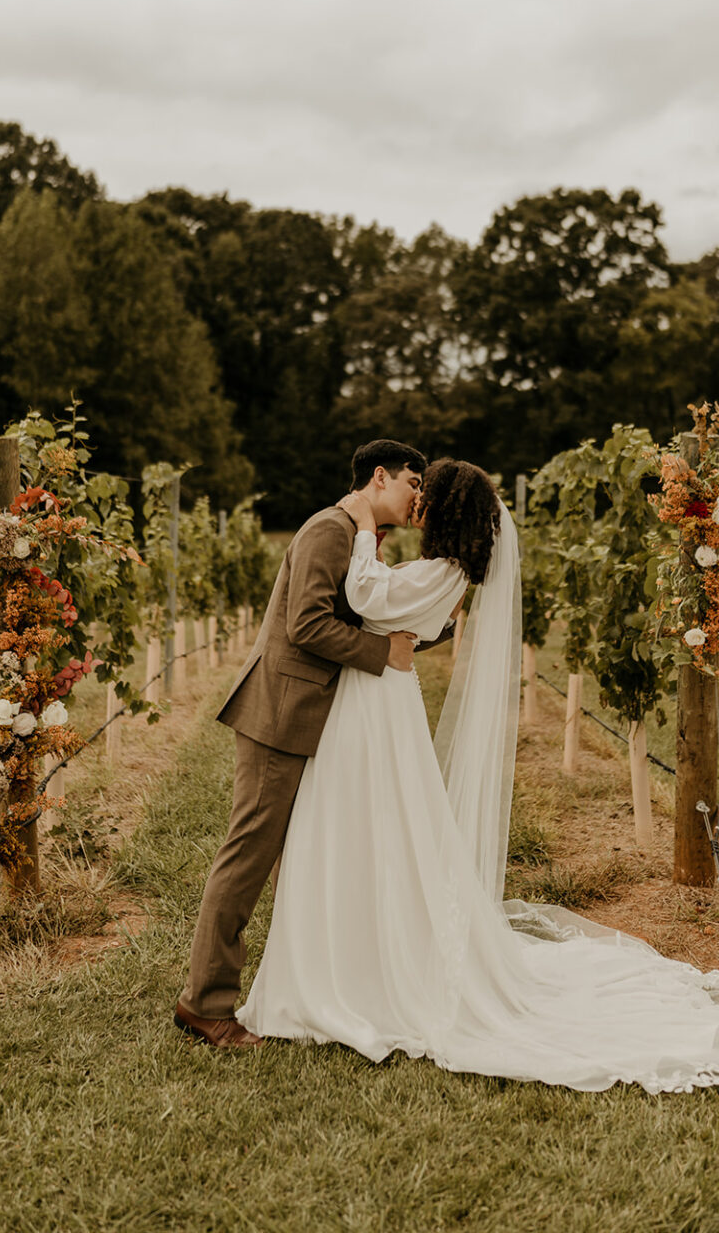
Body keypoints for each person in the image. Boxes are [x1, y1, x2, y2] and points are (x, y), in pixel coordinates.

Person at [237, 458, 719, 1093]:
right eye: (414, 488)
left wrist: (365, 522)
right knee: (373, 827)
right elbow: (382, 609)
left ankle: (352, 966)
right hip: (374, 703)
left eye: (430, 494)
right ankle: (355, 951)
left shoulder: (435, 572)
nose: (419, 500)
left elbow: (365, 594)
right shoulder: (443, 574)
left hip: (373, 710)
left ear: (450, 515)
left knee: (365, 824)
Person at [175, 438, 439, 1048]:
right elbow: (307, 624)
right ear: (380, 476)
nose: (417, 499)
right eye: (412, 486)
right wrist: (383, 654)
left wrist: (428, 621)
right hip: (281, 715)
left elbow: (363, 616)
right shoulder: (330, 529)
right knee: (249, 857)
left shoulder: (363, 536)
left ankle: (307, 986)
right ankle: (205, 1004)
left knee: (298, 856)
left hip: (312, 716)